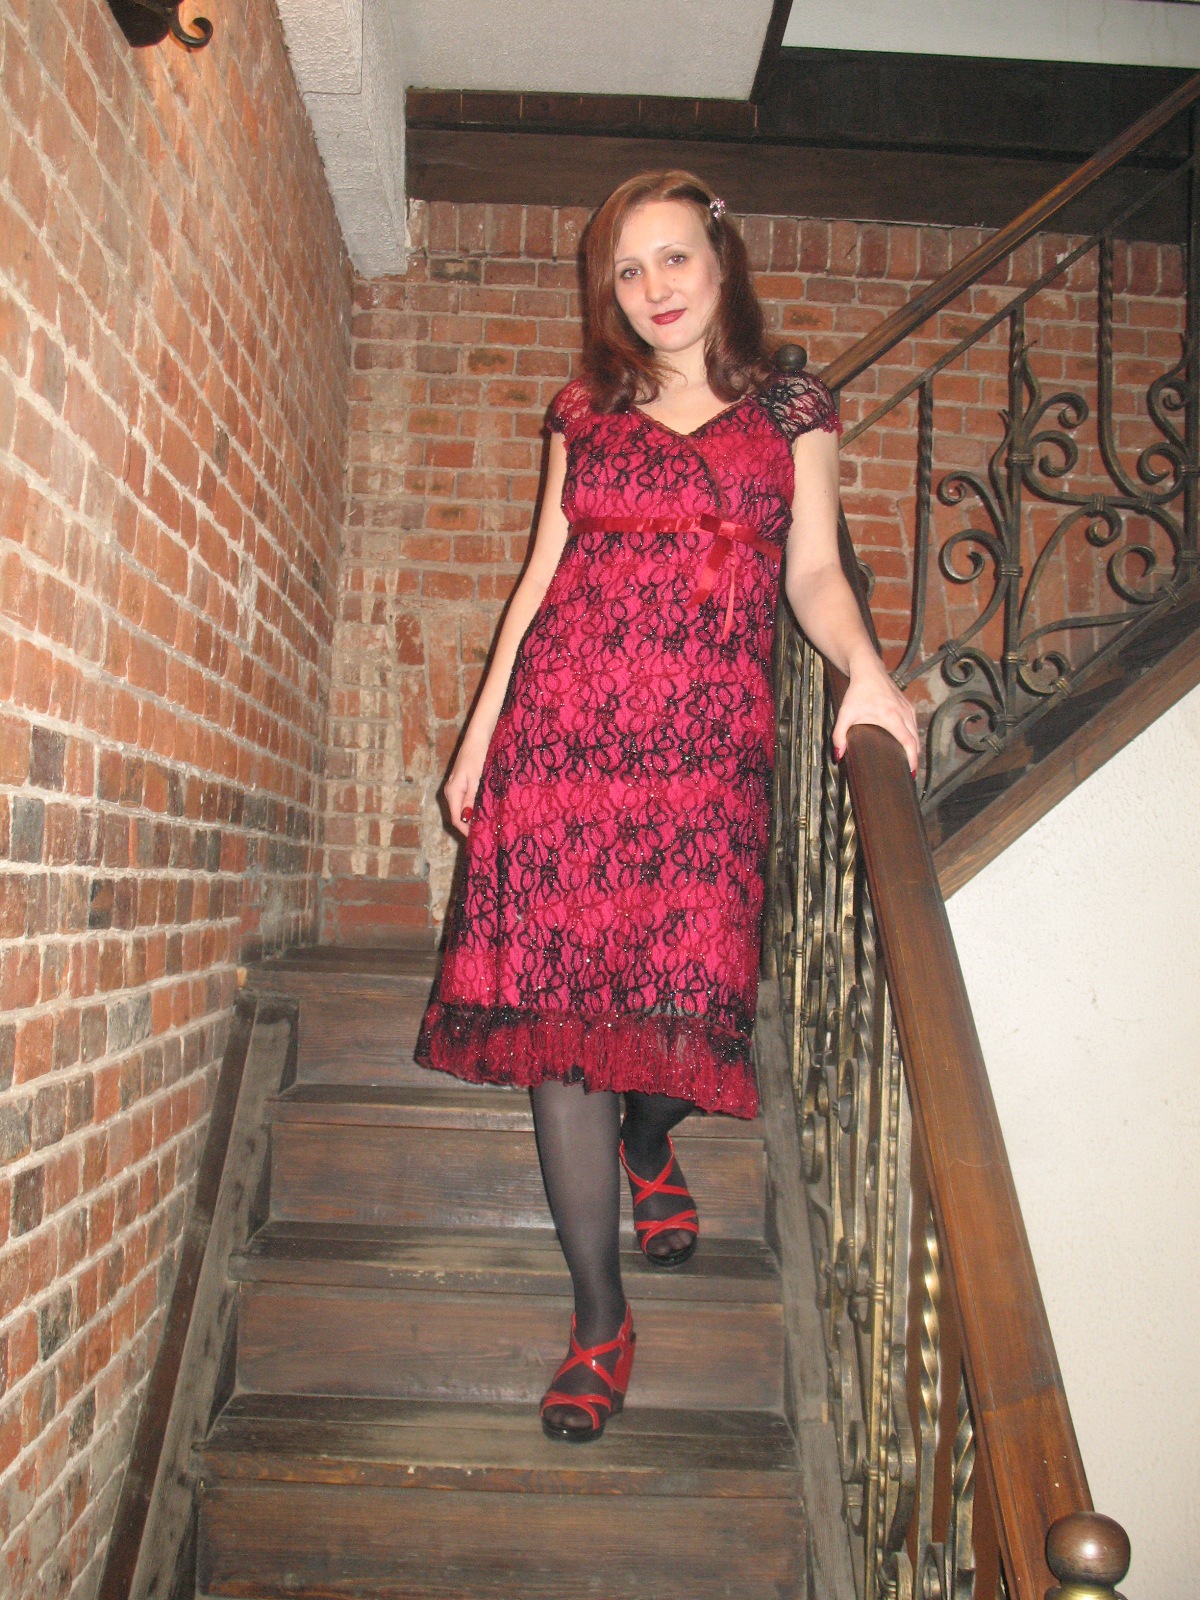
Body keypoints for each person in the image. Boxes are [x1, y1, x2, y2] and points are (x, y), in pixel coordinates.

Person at [414, 170, 918, 1443]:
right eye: (629, 271)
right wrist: (479, 739)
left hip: (702, 761)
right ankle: (599, 1315)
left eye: (674, 258)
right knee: (563, 1034)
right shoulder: (586, 412)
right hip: (564, 750)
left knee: (689, 1006)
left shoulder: (792, 409)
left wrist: (867, 669)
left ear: (721, 259)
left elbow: (814, 571)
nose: (654, 289)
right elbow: (539, 579)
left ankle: (651, 1141)